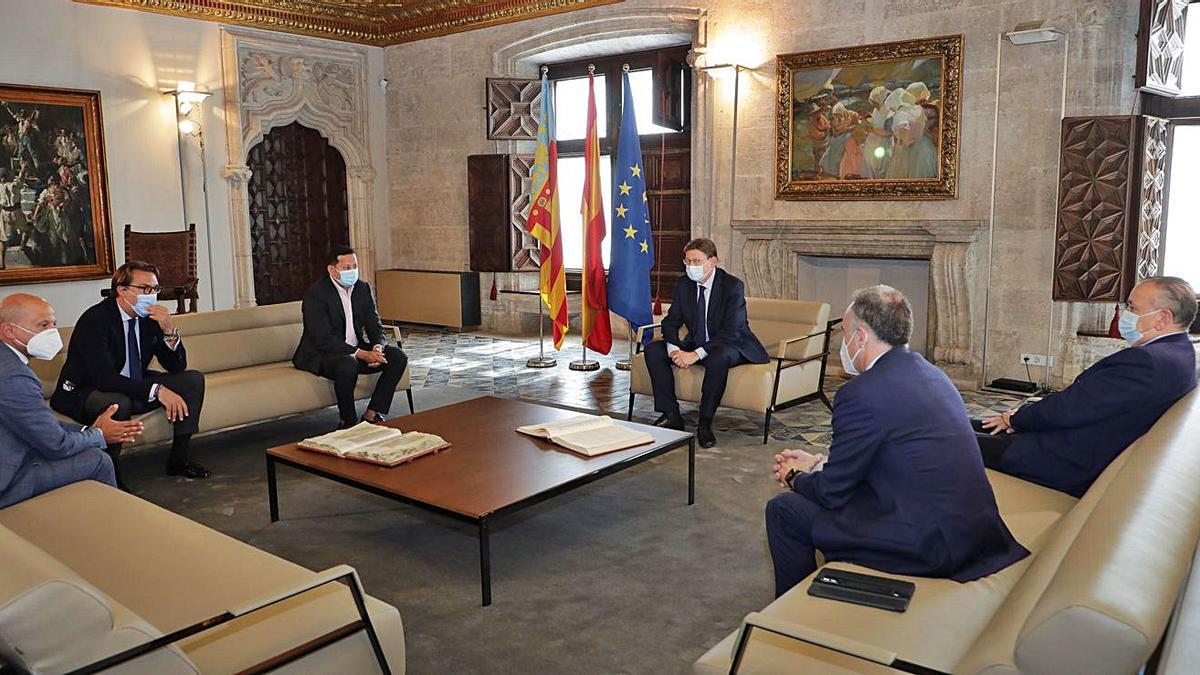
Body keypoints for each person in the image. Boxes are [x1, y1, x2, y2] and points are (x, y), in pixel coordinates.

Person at [765, 285, 1028, 598]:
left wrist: (795, 476)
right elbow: (891, 453)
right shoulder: (932, 373)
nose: (842, 346)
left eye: (844, 335)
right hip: (975, 533)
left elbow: (832, 494)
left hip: (930, 545)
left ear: (861, 337)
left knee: (784, 510)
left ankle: (792, 618)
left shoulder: (858, 394)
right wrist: (818, 463)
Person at [977, 277, 1197, 497]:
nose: (1125, 313)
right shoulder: (1181, 354)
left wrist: (1015, 419)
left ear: (1163, 318)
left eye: (1132, 306)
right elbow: (1082, 406)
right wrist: (1021, 420)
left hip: (1060, 459)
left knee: (947, 436)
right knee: (963, 423)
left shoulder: (1146, 362)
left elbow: (1068, 410)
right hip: (1068, 441)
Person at [51, 261, 210, 482]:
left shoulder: (149, 318)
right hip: (86, 390)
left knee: (191, 380)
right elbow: (104, 378)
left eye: (155, 289)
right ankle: (110, 475)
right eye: (145, 289)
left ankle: (179, 460)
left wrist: (169, 330)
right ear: (122, 290)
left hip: (131, 383)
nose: (151, 295)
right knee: (118, 402)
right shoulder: (96, 319)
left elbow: (176, 367)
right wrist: (157, 390)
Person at [0, 293, 143, 508]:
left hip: (13, 446)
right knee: (98, 460)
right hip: (8, 481)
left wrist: (87, 430)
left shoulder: (8, 359)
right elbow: (57, 445)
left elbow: (39, 421)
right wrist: (100, 434)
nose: (52, 332)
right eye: (43, 325)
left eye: (54, 324)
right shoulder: (14, 375)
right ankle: (114, 526)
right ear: (9, 331)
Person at [644, 238, 769, 449]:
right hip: (697, 342)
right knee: (654, 350)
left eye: (697, 261)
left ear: (713, 261)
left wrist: (696, 354)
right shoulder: (684, 284)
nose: (691, 267)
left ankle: (705, 423)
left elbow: (732, 331)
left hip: (733, 344)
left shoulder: (732, 286)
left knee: (717, 358)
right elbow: (671, 321)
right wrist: (675, 350)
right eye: (687, 261)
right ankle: (672, 415)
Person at [293, 246, 408, 430]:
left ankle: (372, 414)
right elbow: (323, 339)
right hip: (322, 354)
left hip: (355, 350)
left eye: (355, 266)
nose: (352, 271)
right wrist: (361, 354)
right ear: (332, 270)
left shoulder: (362, 288)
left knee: (397, 356)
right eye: (347, 268)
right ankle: (348, 422)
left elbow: (374, 324)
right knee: (348, 364)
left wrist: (377, 346)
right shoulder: (316, 294)